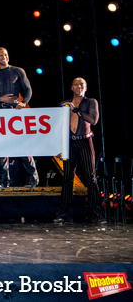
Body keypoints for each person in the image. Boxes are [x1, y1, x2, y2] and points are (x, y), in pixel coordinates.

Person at [0, 47, 38, 188]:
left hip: (15, 113)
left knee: (23, 146)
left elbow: (28, 89)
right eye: (1, 55)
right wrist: (0, 98)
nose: (4, 57)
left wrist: (24, 102)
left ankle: (33, 178)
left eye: (6, 55)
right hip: (0, 113)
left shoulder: (18, 71)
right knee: (2, 148)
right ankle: (4, 181)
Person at [54, 78, 105, 225]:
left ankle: (97, 214)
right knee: (67, 178)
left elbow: (93, 120)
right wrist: (59, 146)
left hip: (84, 140)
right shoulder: (64, 104)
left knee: (91, 177)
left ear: (85, 88)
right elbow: (58, 125)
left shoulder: (90, 102)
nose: (78, 86)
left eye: (81, 84)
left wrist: (76, 110)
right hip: (69, 142)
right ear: (71, 87)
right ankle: (63, 213)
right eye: (76, 84)